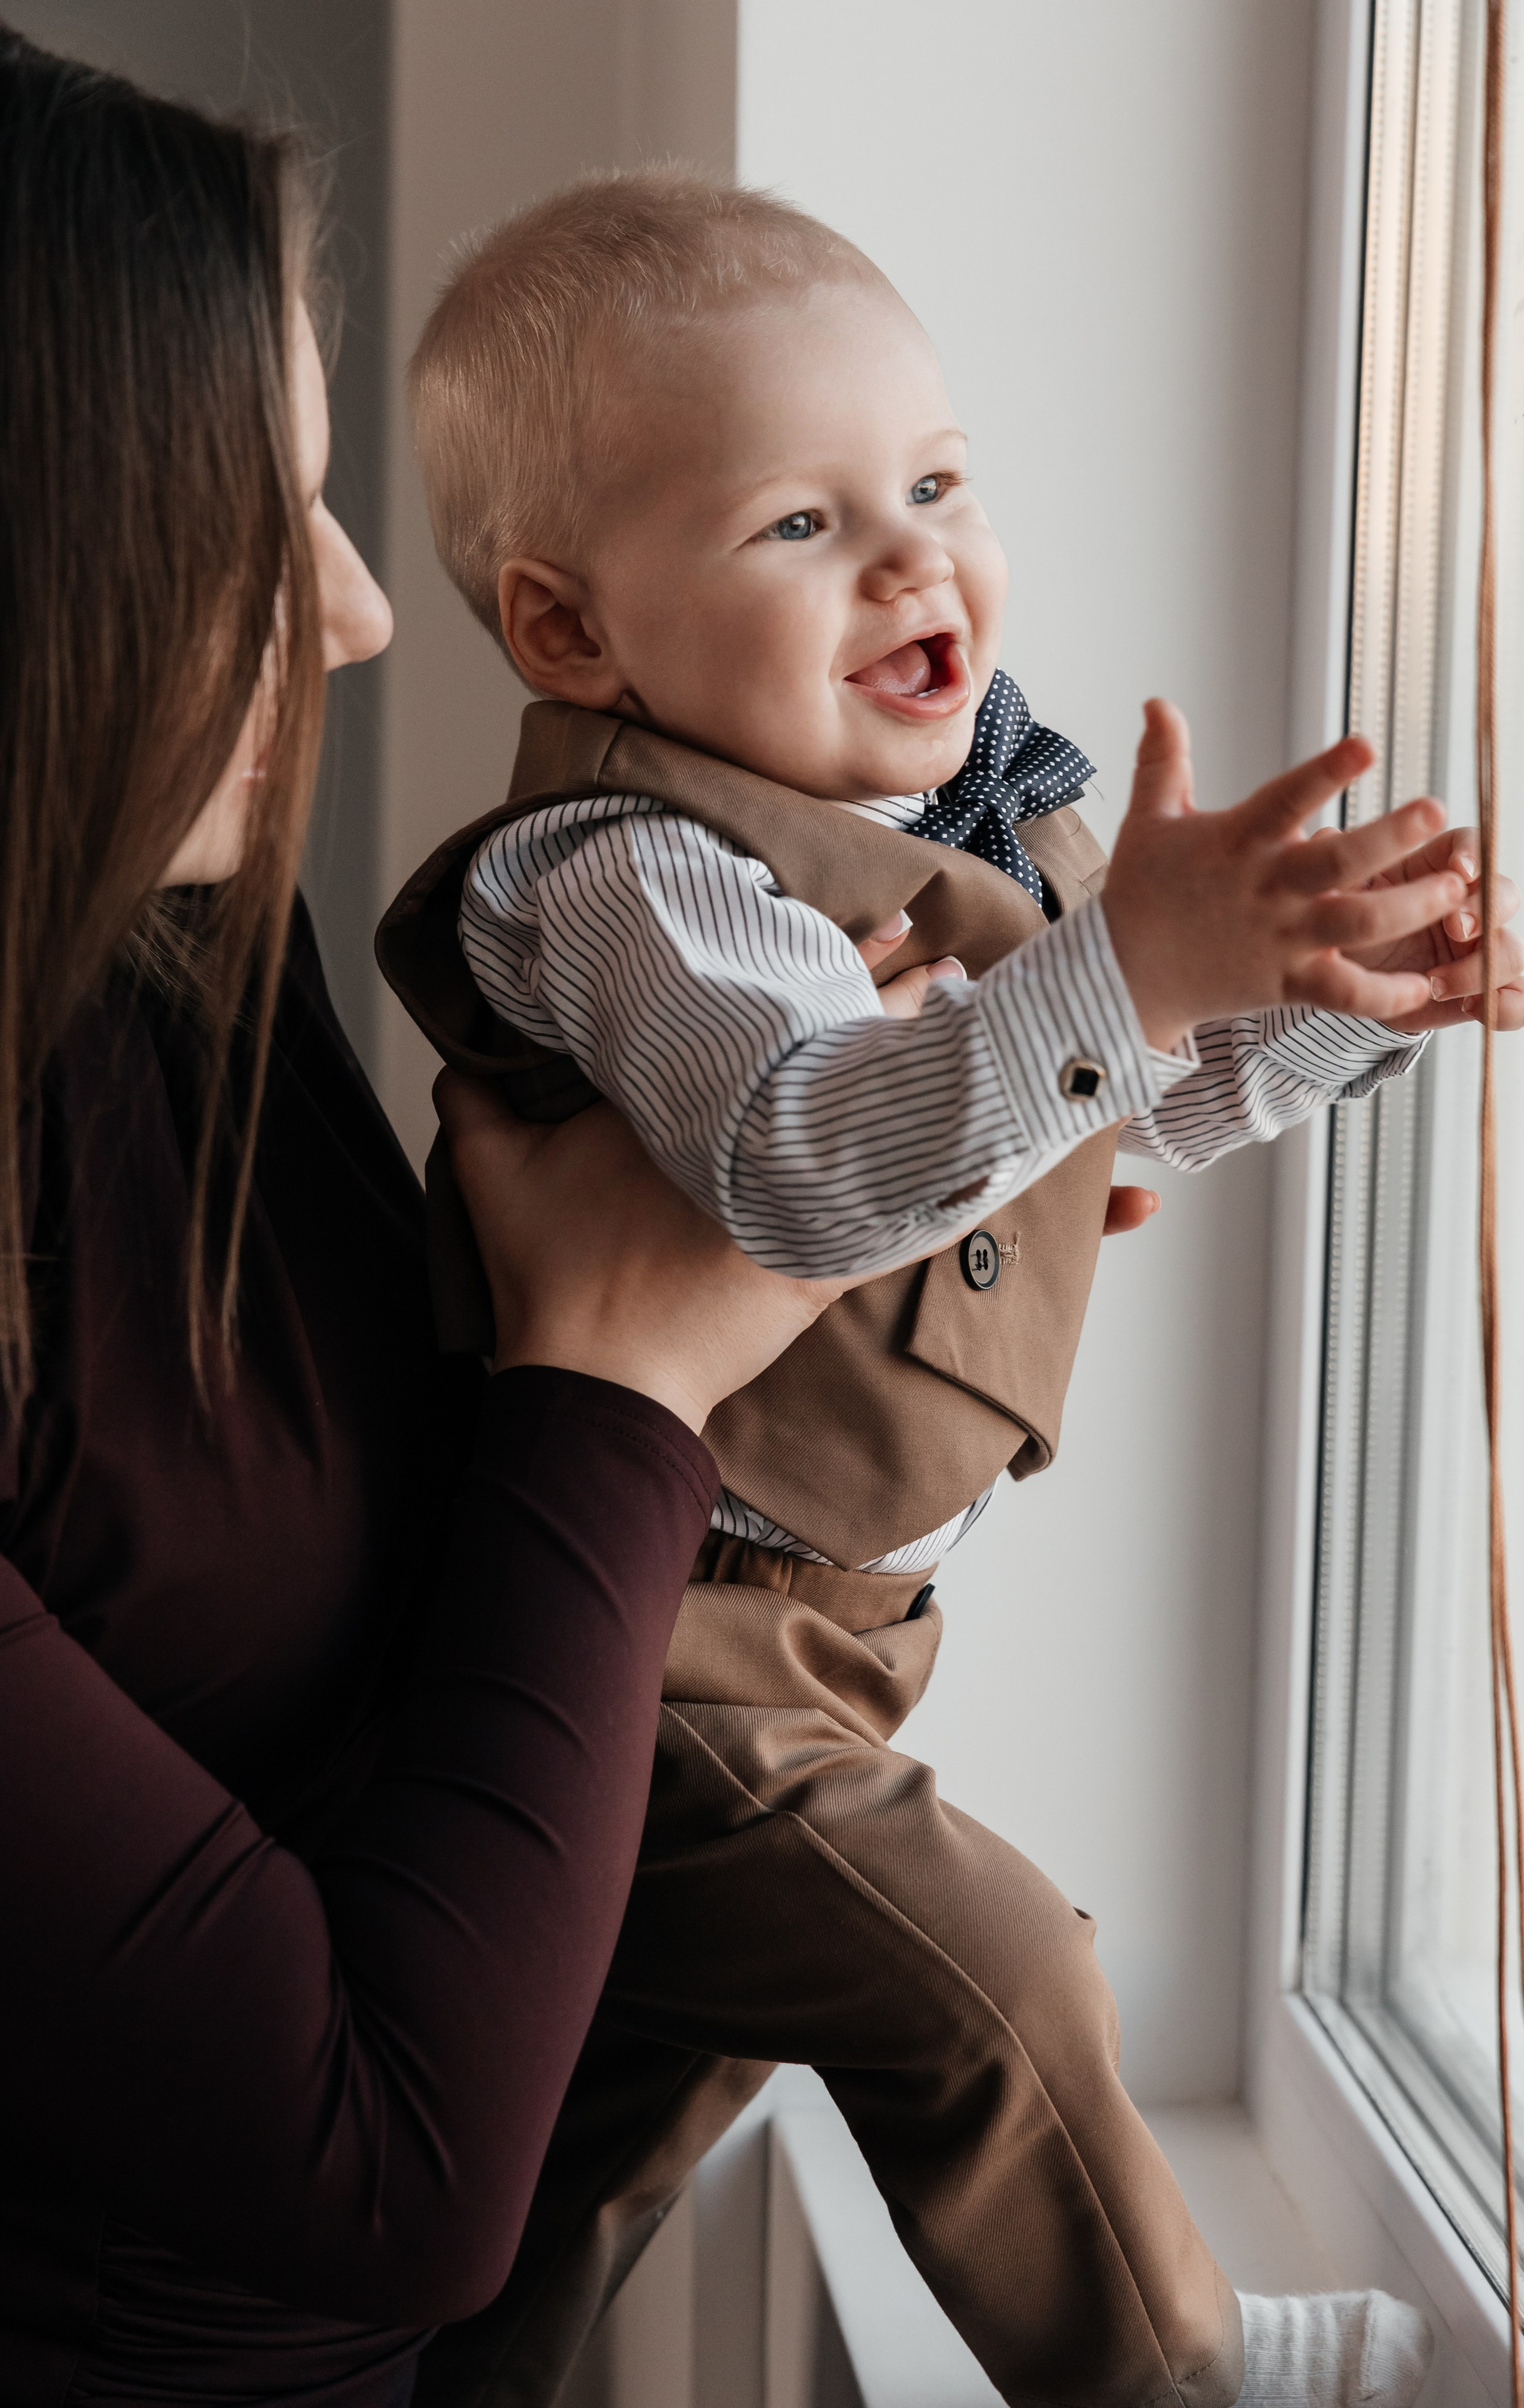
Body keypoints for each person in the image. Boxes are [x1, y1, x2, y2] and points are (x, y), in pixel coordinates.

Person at [379, 174, 1524, 2408]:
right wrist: (1124, 975)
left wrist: (1337, 1004)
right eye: (798, 525)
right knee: (997, 1974)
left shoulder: (979, 845)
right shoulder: (626, 881)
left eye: (930, 485)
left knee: (588, 2148)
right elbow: (808, 1165)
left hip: (830, 1635)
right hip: (651, 1642)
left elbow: (1110, 1117)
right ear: (571, 631)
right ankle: (1181, 2373)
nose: (914, 561)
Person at [0, 34, 875, 2407]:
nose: (370, 616)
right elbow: (394, 2170)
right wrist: (613, 1388)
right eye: (245, 519)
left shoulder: (163, 953)